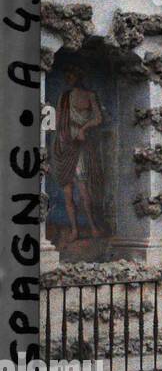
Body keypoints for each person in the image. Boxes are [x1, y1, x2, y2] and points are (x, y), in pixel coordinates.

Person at [49, 66, 105, 243]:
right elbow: (57, 121)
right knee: (67, 191)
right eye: (67, 75)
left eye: (72, 74)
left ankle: (92, 226)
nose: (69, 78)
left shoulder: (90, 95)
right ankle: (74, 230)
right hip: (64, 143)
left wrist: (84, 128)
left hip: (79, 145)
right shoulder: (64, 97)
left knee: (83, 189)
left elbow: (98, 118)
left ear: (79, 75)